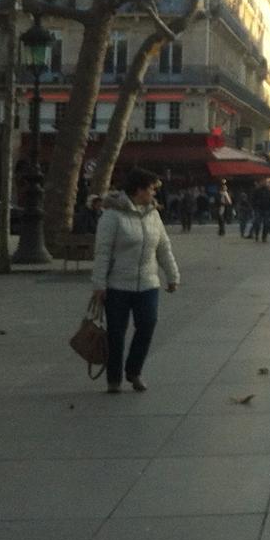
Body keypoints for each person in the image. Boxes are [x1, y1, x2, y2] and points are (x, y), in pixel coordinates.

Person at [92, 167, 180, 392]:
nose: (154, 194)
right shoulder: (112, 215)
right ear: (138, 190)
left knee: (148, 324)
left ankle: (134, 370)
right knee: (116, 333)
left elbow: (163, 247)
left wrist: (172, 275)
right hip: (118, 285)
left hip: (148, 283)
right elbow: (102, 251)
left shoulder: (153, 214)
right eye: (151, 189)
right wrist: (99, 284)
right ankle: (114, 378)